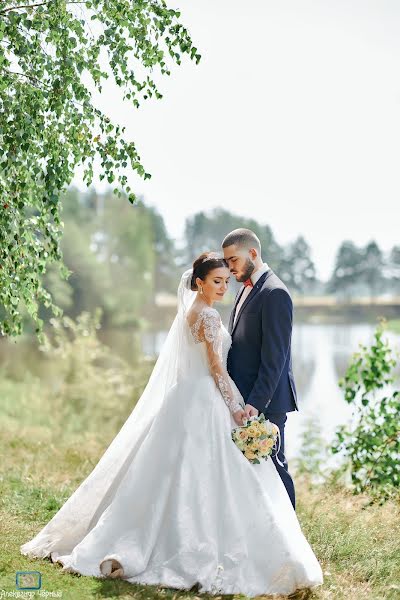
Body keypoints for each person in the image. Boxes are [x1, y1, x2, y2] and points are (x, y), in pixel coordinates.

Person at [20, 252, 323, 597]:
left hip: (187, 397)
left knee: (181, 473)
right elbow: (215, 369)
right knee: (212, 472)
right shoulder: (206, 315)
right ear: (199, 282)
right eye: (217, 281)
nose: (224, 287)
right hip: (207, 398)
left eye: (226, 280)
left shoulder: (192, 310)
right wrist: (237, 407)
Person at [223, 229, 298, 509]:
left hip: (265, 401)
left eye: (233, 260)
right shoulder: (245, 288)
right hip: (244, 399)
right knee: (252, 475)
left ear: (252, 254)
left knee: (276, 470)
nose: (230, 269)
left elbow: (275, 357)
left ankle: (293, 539)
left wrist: (257, 401)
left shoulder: (275, 292)